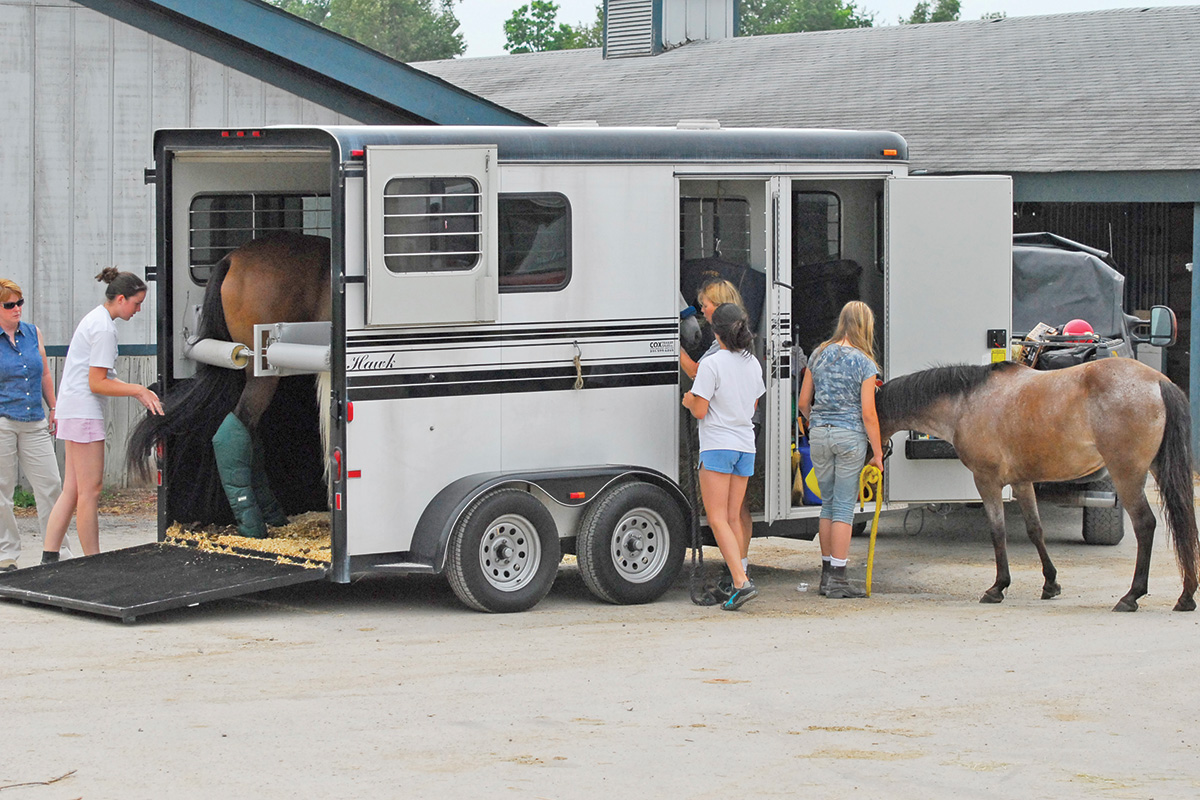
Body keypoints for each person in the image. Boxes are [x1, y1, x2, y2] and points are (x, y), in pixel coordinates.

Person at [41, 269, 162, 562]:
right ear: (120, 299)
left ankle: (49, 555)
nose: (138, 309)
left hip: (74, 409)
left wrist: (138, 390)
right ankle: (92, 560)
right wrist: (137, 391)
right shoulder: (105, 329)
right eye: (136, 303)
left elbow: (99, 377)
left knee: (72, 488)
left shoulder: (95, 319)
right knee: (91, 490)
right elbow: (97, 383)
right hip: (84, 412)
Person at [797, 300, 884, 599]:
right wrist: (878, 453)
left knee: (828, 504)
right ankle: (838, 578)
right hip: (850, 437)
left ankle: (825, 575)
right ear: (865, 326)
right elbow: (869, 413)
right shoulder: (865, 363)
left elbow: (803, 402)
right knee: (844, 507)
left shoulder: (818, 354)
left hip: (820, 434)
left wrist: (816, 423)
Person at [682, 302, 765, 610]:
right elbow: (754, 406)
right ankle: (739, 576)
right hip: (745, 445)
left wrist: (688, 400)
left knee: (716, 518)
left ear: (716, 333)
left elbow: (701, 409)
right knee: (733, 517)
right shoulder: (752, 363)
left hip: (718, 445)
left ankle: (741, 582)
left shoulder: (713, 364)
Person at [0, 280, 64, 572]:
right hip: (2, 420)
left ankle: (57, 548)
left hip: (34, 419)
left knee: (51, 484)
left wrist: (54, 406)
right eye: (9, 305)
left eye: (20, 302)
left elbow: (45, 373)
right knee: (2, 491)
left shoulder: (32, 332)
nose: (17, 309)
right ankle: (6, 552)